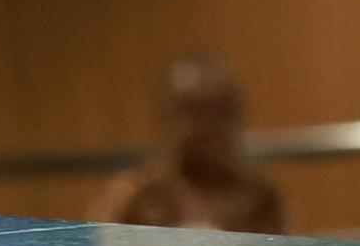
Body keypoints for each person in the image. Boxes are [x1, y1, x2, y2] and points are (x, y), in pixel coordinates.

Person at [91, 55, 289, 234]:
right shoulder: (134, 199)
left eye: (223, 108)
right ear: (166, 115)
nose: (211, 123)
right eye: (195, 110)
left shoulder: (262, 199)